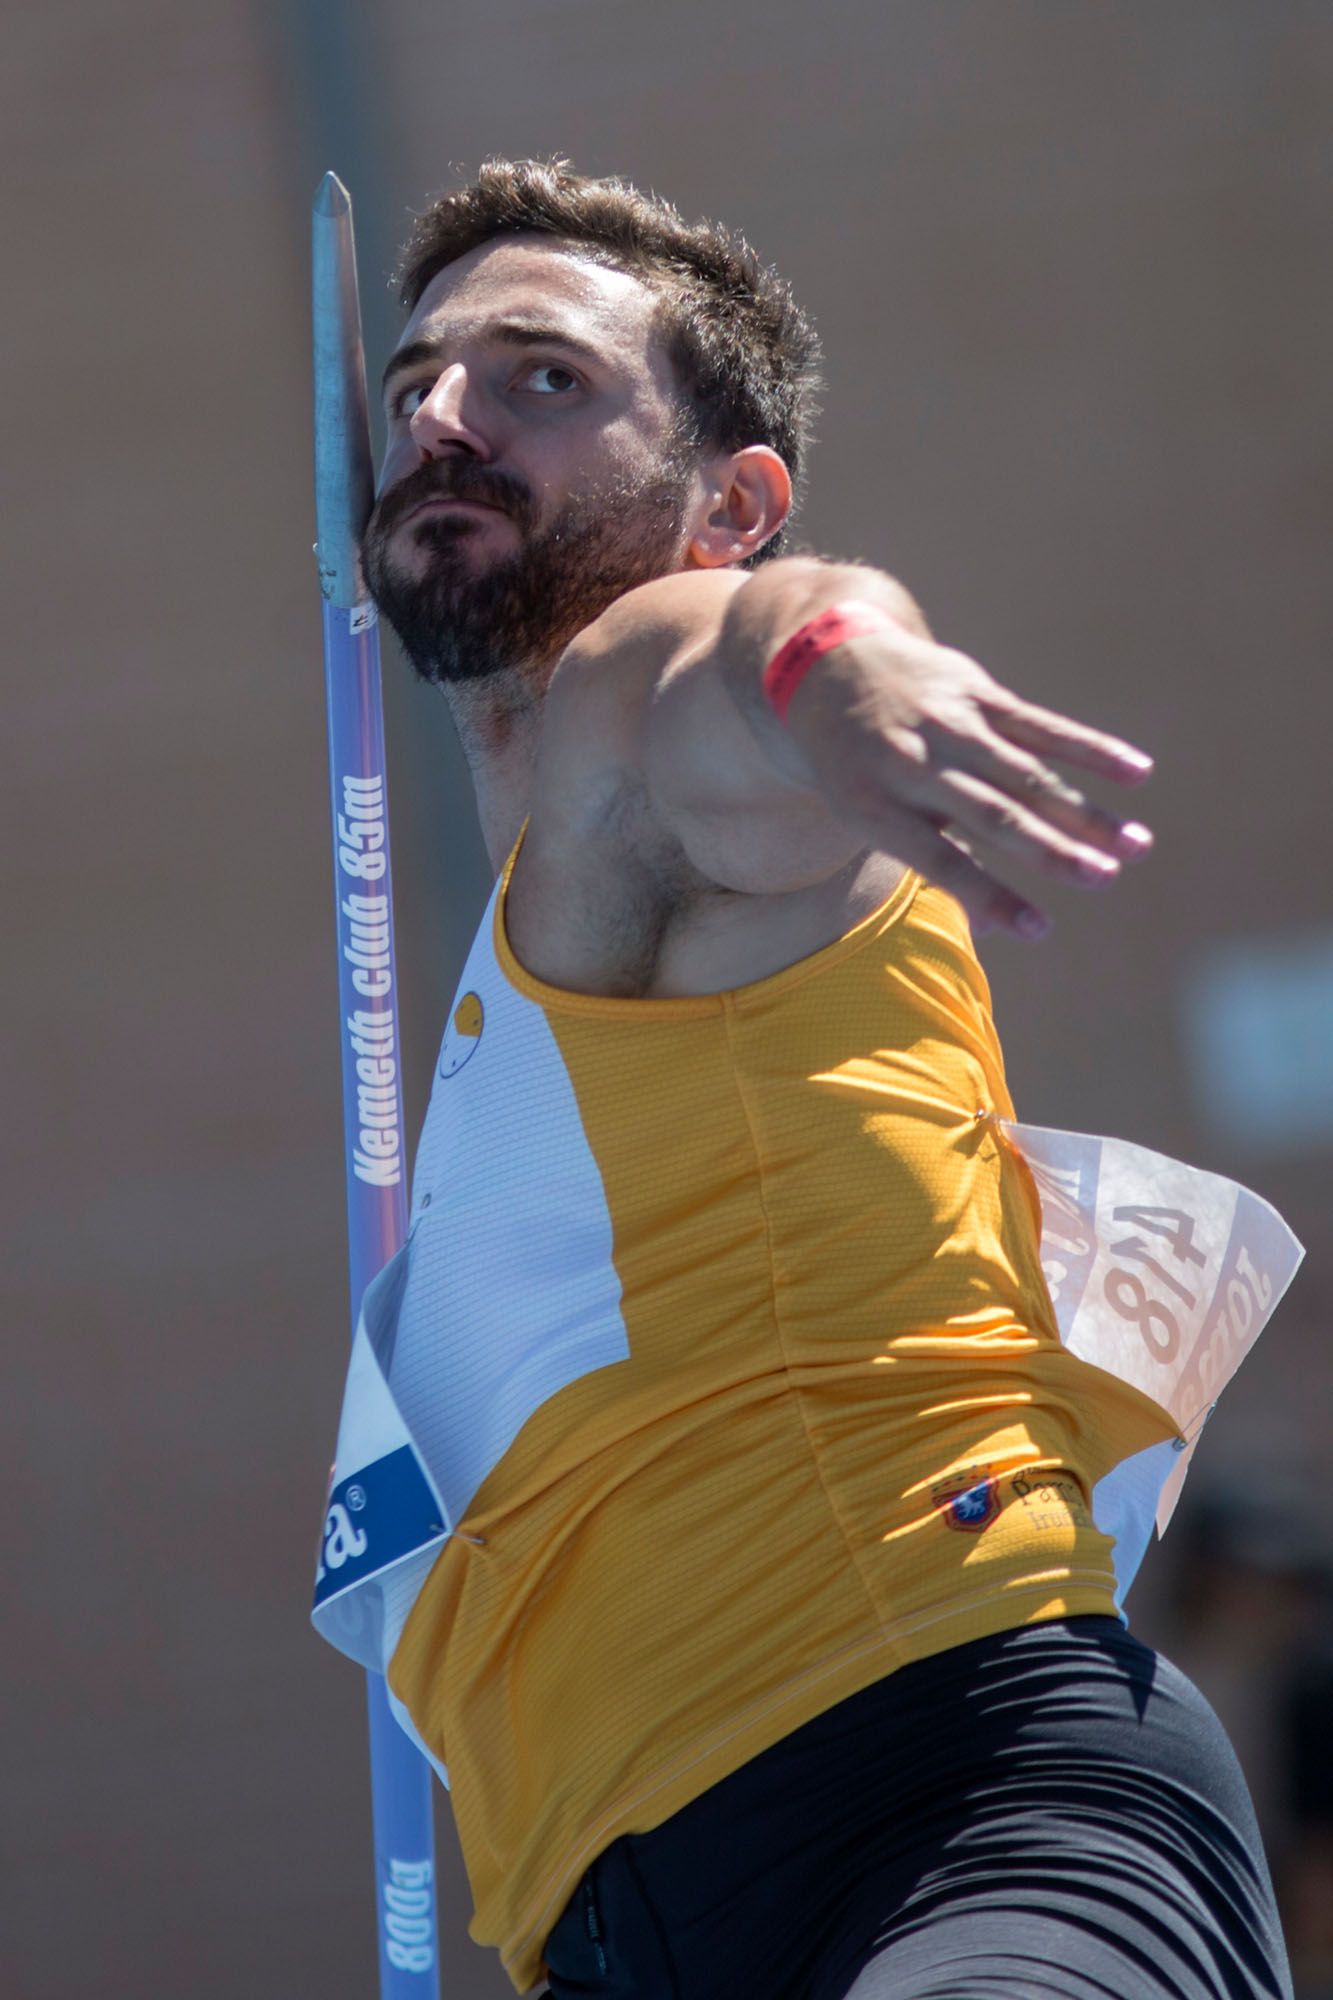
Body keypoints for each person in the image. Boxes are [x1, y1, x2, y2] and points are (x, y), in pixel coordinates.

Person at [341, 159, 1293, 1998]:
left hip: (951, 1806)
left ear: (732, 502)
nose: (443, 417)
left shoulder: (652, 735)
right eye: (411, 386)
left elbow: (741, 658)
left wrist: (849, 675)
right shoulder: (533, 962)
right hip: (627, 1933)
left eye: (540, 377)